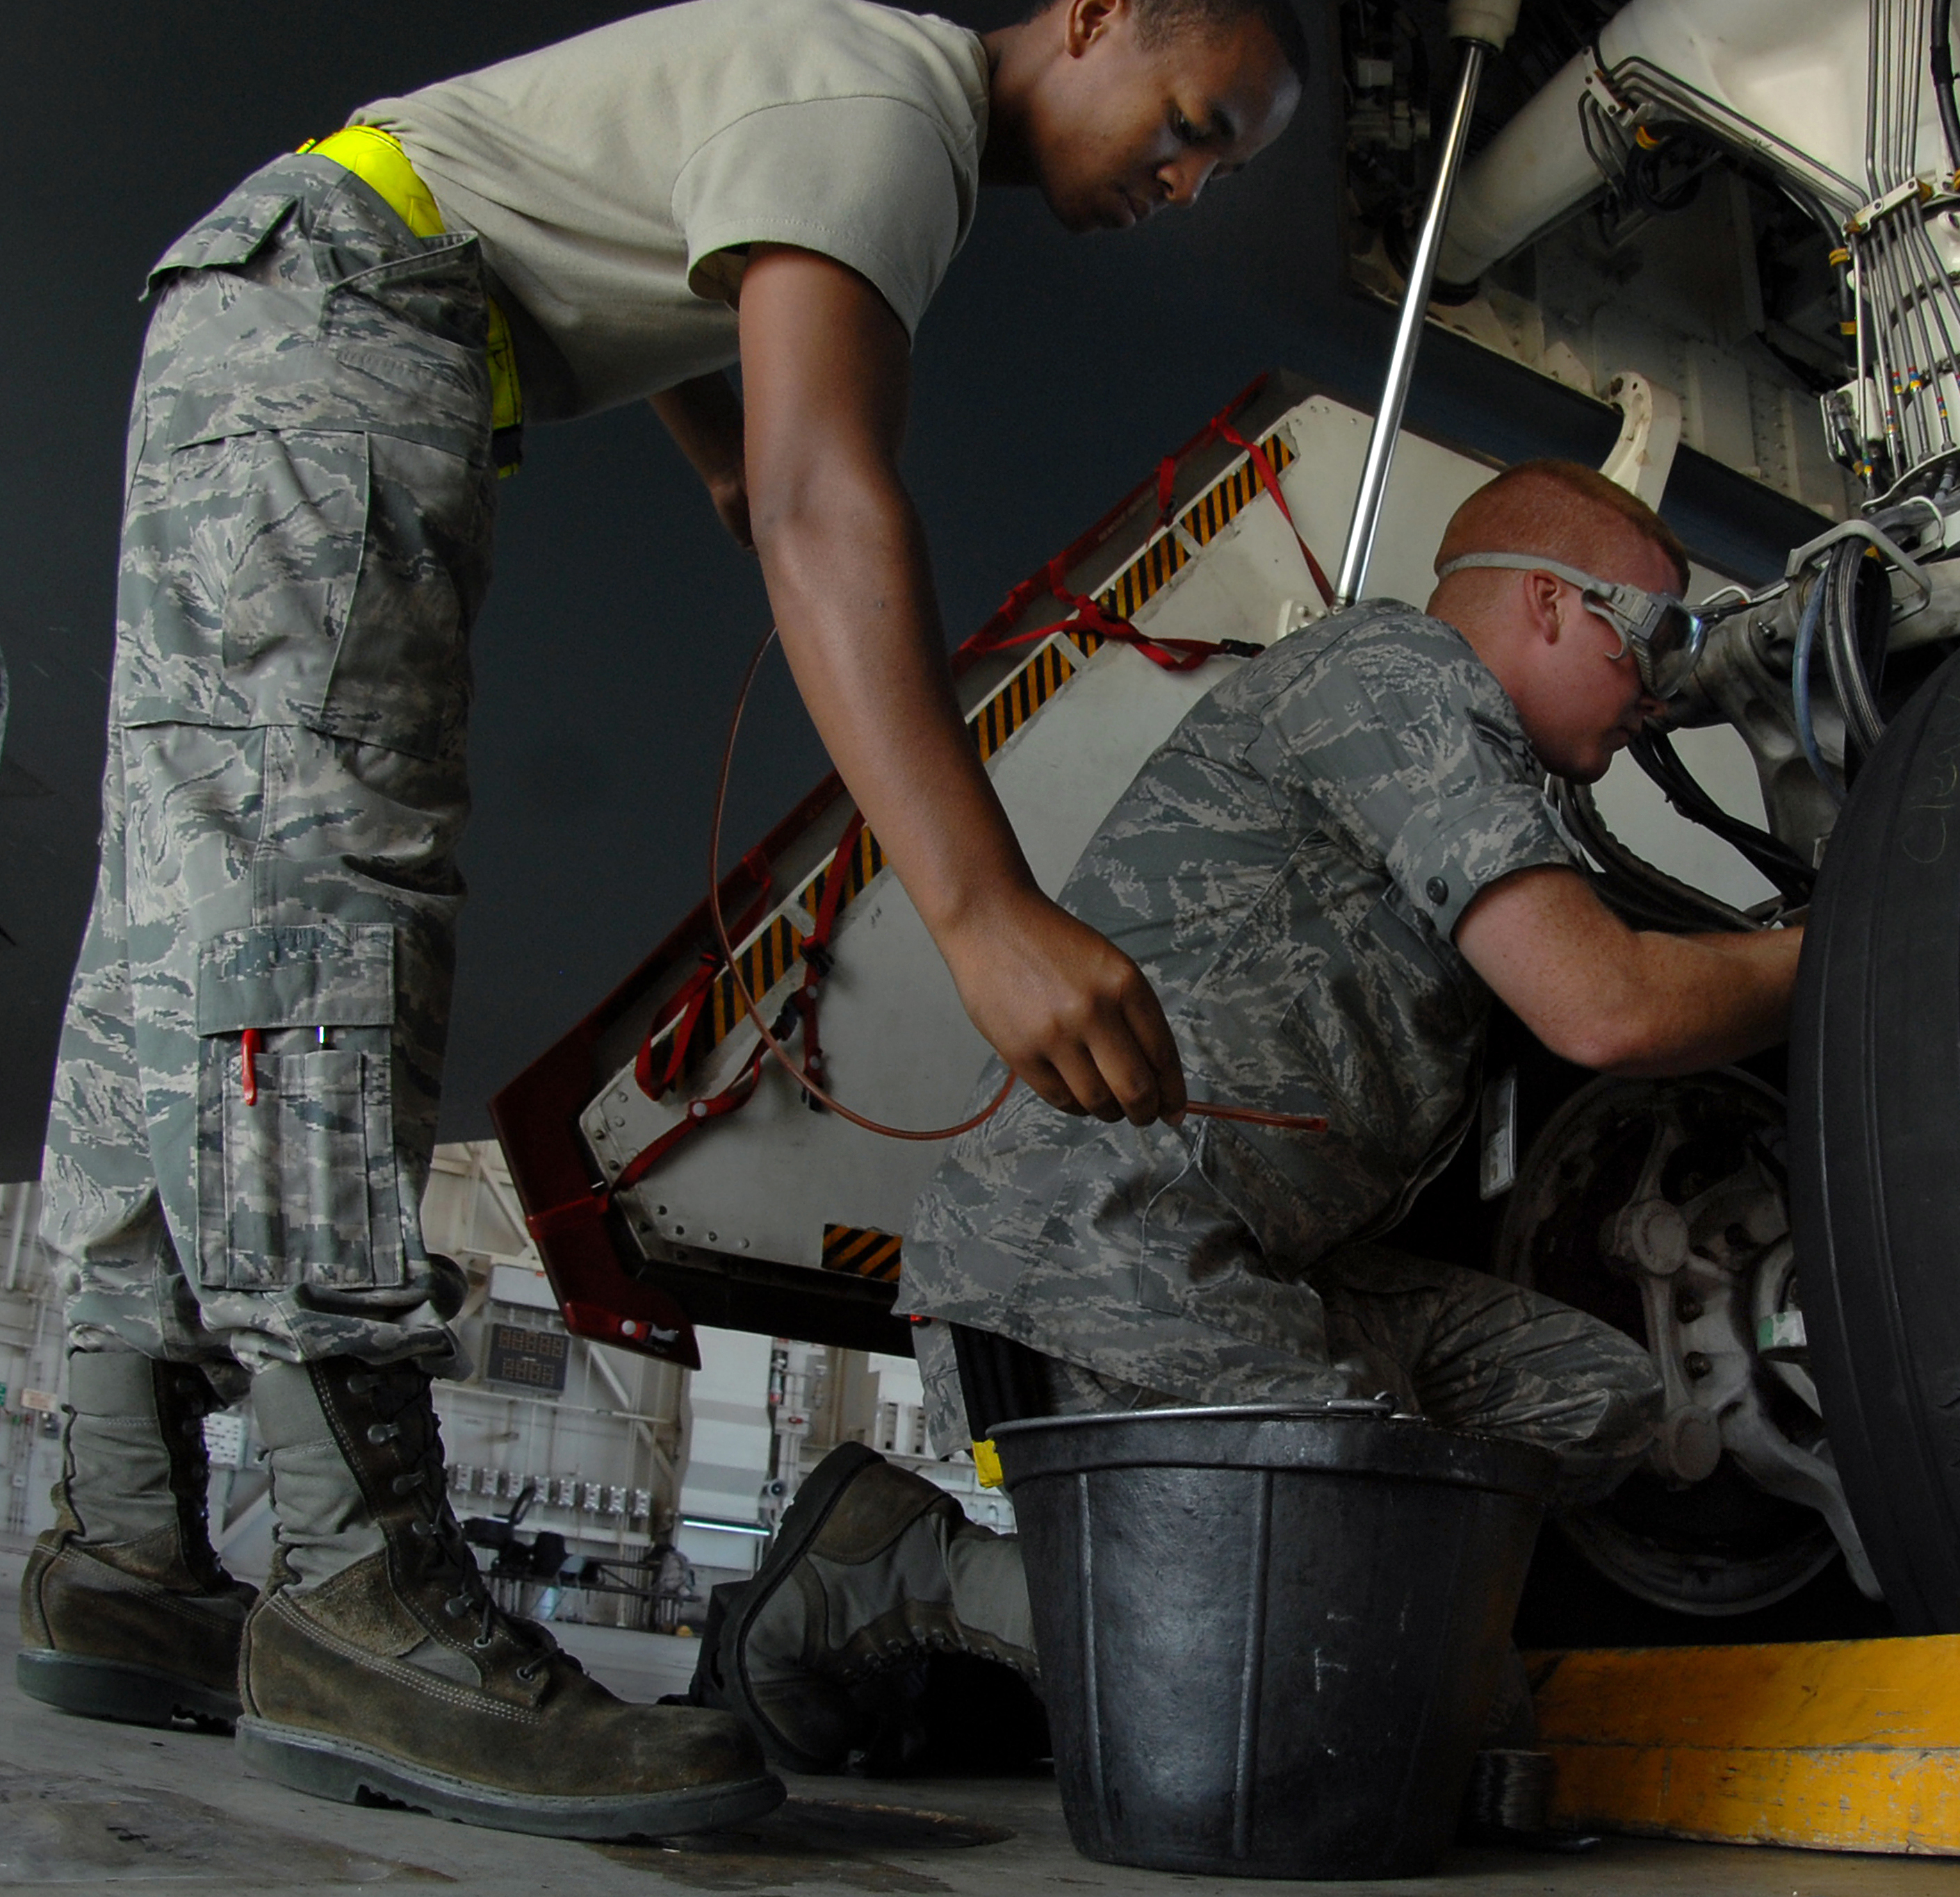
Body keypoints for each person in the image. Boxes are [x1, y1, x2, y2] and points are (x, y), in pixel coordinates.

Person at [17, 0, 1307, 1840]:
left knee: (184, 905)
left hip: (277, 300)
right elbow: (826, 493)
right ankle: (365, 1580)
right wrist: (982, 910)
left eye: (1219, 173)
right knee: (313, 889)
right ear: (1098, 18)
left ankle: (120, 1544)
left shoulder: (837, 89)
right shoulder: (895, 114)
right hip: (348, 317)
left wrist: (714, 441)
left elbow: (703, 329)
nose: (1184, 183)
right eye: (1193, 126)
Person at [695, 459, 1804, 1773]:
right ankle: (899, 1565)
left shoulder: (1499, 787)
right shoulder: (1397, 678)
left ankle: (1337, 1592)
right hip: (1100, 1250)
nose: (1662, 694)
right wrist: (1849, 943)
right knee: (1349, 1679)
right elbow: (1605, 1009)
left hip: (1271, 1274)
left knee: (1600, 1399)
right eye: (1654, 638)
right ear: (1552, 606)